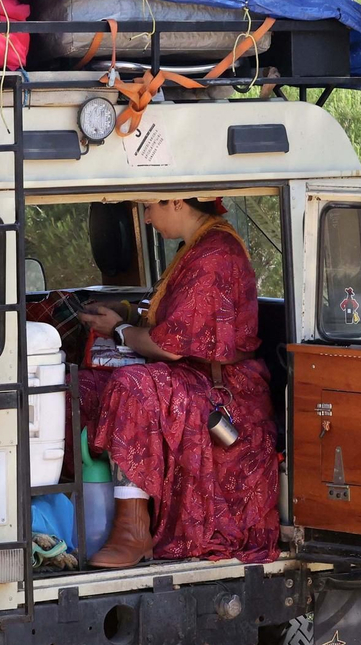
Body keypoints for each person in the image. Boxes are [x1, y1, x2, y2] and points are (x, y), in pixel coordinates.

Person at [76, 198, 279, 569]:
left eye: (149, 207)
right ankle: (83, 514)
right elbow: (172, 321)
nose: (148, 217)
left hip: (221, 389)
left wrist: (119, 330)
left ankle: (133, 529)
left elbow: (169, 347)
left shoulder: (213, 255)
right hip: (194, 374)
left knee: (132, 385)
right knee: (84, 386)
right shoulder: (196, 247)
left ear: (175, 201)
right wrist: (129, 313)